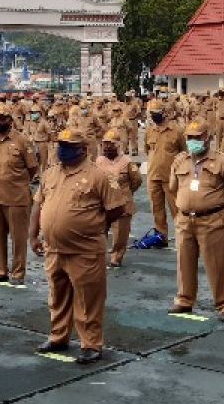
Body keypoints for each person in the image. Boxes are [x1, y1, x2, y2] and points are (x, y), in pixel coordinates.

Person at [30, 129, 124, 363]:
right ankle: (58, 337)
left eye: (68, 146)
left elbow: (117, 208)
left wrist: (93, 226)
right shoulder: (51, 173)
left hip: (85, 249)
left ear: (83, 149)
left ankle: (91, 344)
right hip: (54, 248)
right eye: (60, 145)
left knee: (88, 299)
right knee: (57, 295)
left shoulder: (99, 175)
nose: (62, 149)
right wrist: (33, 235)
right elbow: (38, 205)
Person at [167, 121, 224, 322]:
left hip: (212, 219)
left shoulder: (222, 161)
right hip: (185, 220)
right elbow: (173, 187)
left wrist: (218, 205)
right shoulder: (179, 160)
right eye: (190, 137)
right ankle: (185, 299)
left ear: (208, 138)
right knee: (184, 262)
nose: (193, 141)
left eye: (197, 137)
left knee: (218, 264)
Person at [0, 104, 38, 286]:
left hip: (16, 197)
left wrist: (16, 182)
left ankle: (18, 272)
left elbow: (32, 167)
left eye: (3, 118)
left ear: (10, 120)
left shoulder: (21, 140)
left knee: (18, 237)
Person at [95, 129, 142, 268]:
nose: (107, 147)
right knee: (99, 231)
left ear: (118, 145)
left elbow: (137, 181)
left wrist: (126, 193)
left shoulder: (127, 162)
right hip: (103, 203)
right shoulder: (99, 161)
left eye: (110, 144)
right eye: (105, 144)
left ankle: (116, 258)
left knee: (120, 234)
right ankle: (99, 257)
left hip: (122, 203)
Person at [142, 99, 186, 246]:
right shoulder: (149, 131)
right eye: (152, 114)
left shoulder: (177, 132)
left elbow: (184, 152)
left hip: (170, 177)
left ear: (165, 113)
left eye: (157, 113)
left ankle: (183, 236)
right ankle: (161, 237)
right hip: (153, 176)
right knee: (157, 209)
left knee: (176, 208)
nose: (154, 116)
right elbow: (147, 150)